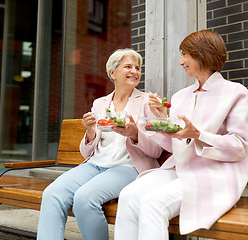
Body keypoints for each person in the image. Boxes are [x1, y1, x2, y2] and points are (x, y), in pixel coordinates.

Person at [114, 30, 248, 240]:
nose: (181, 62)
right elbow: (175, 145)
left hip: (213, 173)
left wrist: (199, 135)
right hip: (178, 169)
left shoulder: (236, 93)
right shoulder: (181, 96)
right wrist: (163, 122)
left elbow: (241, 146)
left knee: (152, 203)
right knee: (128, 195)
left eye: (185, 55)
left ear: (202, 54)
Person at [37, 48, 163, 240]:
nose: (135, 71)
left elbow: (157, 150)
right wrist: (89, 131)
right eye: (128, 66)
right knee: (52, 194)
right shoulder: (99, 104)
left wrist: (135, 134)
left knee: (84, 199)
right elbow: (86, 151)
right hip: (95, 165)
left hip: (128, 168)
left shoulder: (148, 101)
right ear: (112, 73)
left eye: (137, 68)